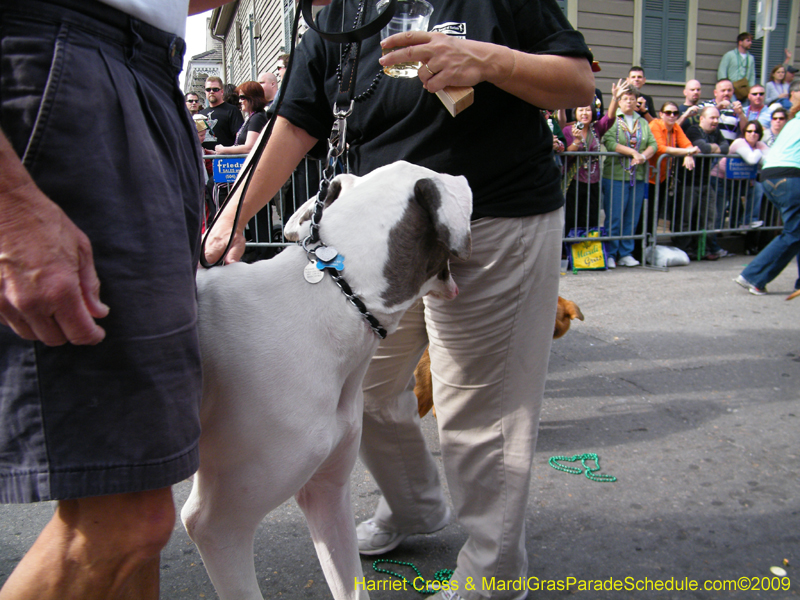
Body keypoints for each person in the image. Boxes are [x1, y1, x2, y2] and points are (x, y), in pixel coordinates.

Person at [203, 1, 595, 598]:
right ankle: (416, 507)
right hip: (371, 251)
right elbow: (298, 120)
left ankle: (491, 575)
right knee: (360, 394)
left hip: (492, 218)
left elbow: (576, 81)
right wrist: (233, 216)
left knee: (480, 413)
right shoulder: (337, 12)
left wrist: (488, 60)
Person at [0, 0, 229, 598]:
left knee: (138, 502)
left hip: (146, 78)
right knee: (129, 519)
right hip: (63, 58)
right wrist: (9, 208)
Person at [735, 85, 800, 297]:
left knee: (796, 231)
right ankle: (753, 276)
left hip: (771, 175)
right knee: (793, 232)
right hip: (790, 177)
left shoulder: (792, 122)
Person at [600, 85, 657, 268]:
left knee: (632, 216)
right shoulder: (613, 119)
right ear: (619, 100)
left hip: (637, 176)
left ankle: (626, 252)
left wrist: (642, 156)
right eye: (626, 98)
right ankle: (611, 252)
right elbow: (609, 142)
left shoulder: (642, 122)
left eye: (633, 98)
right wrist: (633, 152)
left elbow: (653, 144)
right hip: (616, 175)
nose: (630, 102)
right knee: (614, 216)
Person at [561, 82, 618, 236]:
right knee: (572, 216)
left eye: (587, 110)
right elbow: (567, 153)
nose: (584, 113)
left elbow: (610, 118)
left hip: (593, 180)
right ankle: (569, 251)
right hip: (574, 180)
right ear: (575, 113)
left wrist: (615, 98)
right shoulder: (568, 130)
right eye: (581, 110)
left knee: (591, 216)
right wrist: (577, 141)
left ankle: (588, 250)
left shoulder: (596, 129)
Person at [677, 106, 730, 260]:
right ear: (702, 119)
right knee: (686, 218)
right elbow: (704, 148)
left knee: (708, 217)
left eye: (717, 118)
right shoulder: (694, 130)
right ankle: (684, 250)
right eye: (712, 118)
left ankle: (703, 249)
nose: (715, 121)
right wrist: (714, 148)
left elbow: (726, 148)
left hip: (706, 182)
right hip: (688, 182)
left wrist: (713, 148)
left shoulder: (716, 132)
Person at [645, 101, 699, 240]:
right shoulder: (655, 125)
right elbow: (660, 148)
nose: (672, 115)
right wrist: (686, 151)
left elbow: (687, 144)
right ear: (661, 114)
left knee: (656, 212)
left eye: (675, 113)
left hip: (662, 176)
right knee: (647, 212)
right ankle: (641, 247)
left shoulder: (675, 127)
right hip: (647, 176)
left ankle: (650, 243)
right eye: (668, 112)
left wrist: (688, 154)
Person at [710, 120, 768, 234]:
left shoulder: (759, 145)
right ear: (744, 132)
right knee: (720, 209)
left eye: (756, 131)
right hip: (720, 178)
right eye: (749, 131)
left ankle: (749, 221)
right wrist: (759, 152)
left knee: (758, 188)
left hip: (740, 180)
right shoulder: (739, 142)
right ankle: (714, 238)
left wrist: (758, 152)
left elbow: (770, 159)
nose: (752, 134)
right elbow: (751, 159)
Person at [214, 81, 269, 156]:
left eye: (242, 98)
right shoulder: (253, 116)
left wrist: (224, 149)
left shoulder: (257, 118)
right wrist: (216, 152)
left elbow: (249, 147)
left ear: (252, 98)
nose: (240, 101)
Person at [200, 76, 245, 151]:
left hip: (226, 159)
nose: (211, 92)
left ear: (222, 92)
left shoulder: (232, 110)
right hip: (205, 159)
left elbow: (240, 138)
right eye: (208, 89)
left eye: (215, 89)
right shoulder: (201, 114)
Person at [717, 32, 755, 99]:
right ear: (740, 42)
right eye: (748, 40)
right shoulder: (729, 55)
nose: (750, 43)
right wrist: (725, 87)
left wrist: (751, 90)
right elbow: (722, 71)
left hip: (744, 90)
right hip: (731, 89)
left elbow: (752, 75)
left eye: (751, 41)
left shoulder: (751, 58)